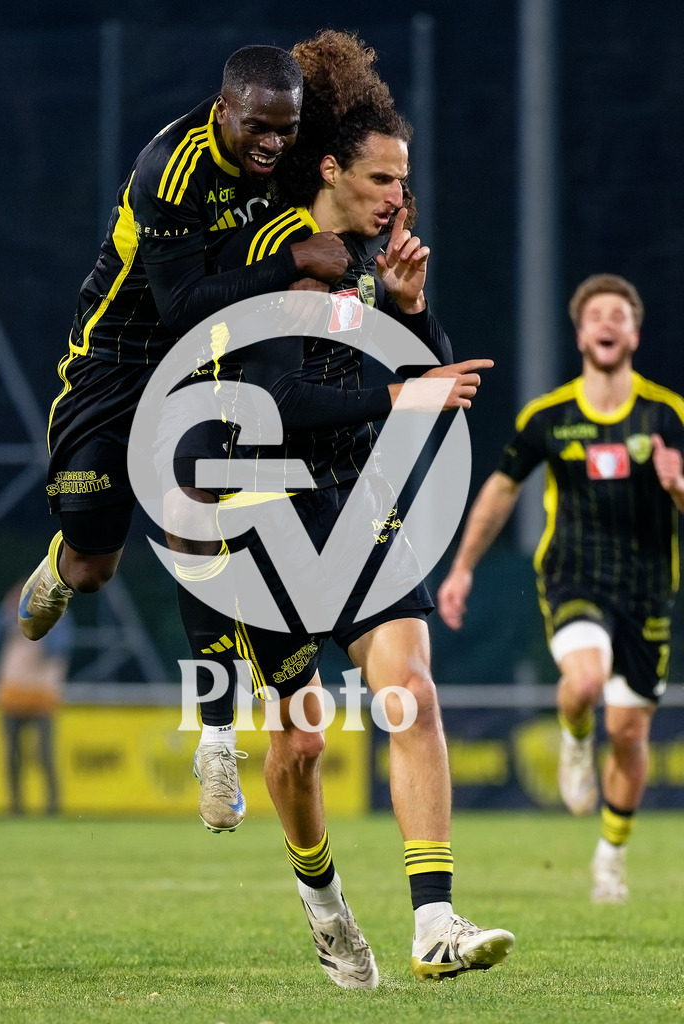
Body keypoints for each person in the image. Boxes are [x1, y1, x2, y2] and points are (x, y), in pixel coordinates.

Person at [158, 29, 513, 986]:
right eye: (383, 177)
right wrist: (397, 391)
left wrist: (411, 309)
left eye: (405, 178)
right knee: (303, 743)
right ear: (332, 170)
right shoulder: (282, 252)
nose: (400, 195)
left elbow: (429, 380)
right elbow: (276, 402)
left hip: (360, 504)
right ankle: (325, 907)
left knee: (413, 690)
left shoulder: (367, 257)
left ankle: (434, 921)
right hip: (269, 509)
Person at [16, 44, 352, 820]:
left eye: (287, 128)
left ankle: (215, 741)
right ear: (223, 109)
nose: (273, 143)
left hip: (204, 363)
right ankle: (61, 566)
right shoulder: (170, 168)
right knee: (95, 566)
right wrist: (296, 260)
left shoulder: (287, 159)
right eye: (258, 127)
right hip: (115, 361)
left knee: (197, 513)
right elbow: (179, 305)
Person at [437, 273, 684, 903]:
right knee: (586, 682)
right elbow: (501, 490)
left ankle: (611, 854)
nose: (607, 324)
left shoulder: (668, 415)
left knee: (629, 734)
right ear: (580, 334)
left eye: (619, 315)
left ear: (635, 333)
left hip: (648, 588)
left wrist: (678, 486)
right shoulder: (550, 416)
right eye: (596, 315)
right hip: (574, 576)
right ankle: (575, 739)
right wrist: (463, 567)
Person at [0, 581, 73, 814]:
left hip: (42, 695)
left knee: (44, 755)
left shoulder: (58, 618)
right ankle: (15, 805)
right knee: (11, 755)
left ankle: (52, 806)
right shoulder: (8, 619)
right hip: (12, 694)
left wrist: (40, 620)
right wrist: (3, 614)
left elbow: (60, 647)